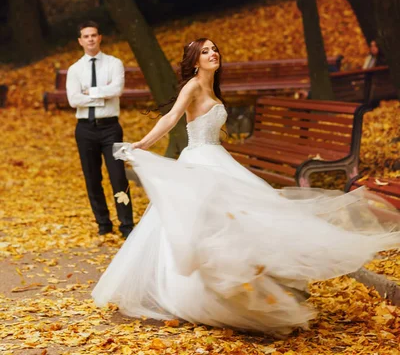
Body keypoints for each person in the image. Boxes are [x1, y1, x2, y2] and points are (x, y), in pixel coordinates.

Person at [92, 38, 400, 335]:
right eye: (205, 51)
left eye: (214, 49)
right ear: (195, 61)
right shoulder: (194, 86)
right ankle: (202, 292)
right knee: (203, 228)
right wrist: (143, 144)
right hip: (200, 161)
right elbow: (172, 117)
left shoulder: (212, 87)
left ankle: (252, 286)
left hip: (218, 158)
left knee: (245, 220)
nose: (213, 54)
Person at [66, 21, 133, 238]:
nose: (90, 39)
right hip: (85, 130)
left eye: (94, 35)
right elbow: (74, 100)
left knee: (118, 177)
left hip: (110, 129)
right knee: (92, 178)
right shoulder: (75, 69)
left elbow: (117, 89)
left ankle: (126, 224)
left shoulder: (114, 64)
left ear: (100, 37)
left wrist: (89, 92)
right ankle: (103, 223)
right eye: (86, 36)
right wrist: (102, 94)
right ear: (80, 41)